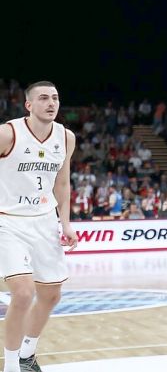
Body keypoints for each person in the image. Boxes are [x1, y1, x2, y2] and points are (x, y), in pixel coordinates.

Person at [0, 81, 79, 372]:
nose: (51, 103)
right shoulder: (8, 133)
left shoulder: (66, 137)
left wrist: (66, 223)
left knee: (51, 295)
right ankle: (9, 366)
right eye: (44, 98)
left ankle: (26, 355)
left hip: (45, 220)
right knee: (22, 293)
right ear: (29, 105)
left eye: (55, 98)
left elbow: (61, 181)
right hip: (7, 220)